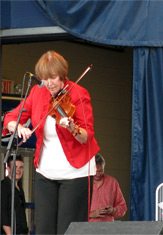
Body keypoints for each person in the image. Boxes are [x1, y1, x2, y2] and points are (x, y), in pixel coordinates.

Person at [2, 50, 100, 234]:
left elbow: (87, 136)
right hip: (46, 171)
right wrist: (18, 126)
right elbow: (11, 117)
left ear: (62, 74)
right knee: (44, 228)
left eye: (53, 78)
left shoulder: (78, 93)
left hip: (76, 171)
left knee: (68, 228)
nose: (49, 83)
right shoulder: (38, 92)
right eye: (45, 79)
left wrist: (72, 128)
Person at [89, 153, 127, 221]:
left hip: (108, 228)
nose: (98, 174)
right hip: (87, 227)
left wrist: (113, 210)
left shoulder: (112, 182)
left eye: (101, 171)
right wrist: (90, 214)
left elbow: (123, 208)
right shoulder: (84, 183)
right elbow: (74, 209)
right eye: (95, 171)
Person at [1, 155, 29, 235]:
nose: (18, 170)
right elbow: (3, 213)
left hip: (21, 231)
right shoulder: (3, 187)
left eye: (21, 167)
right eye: (15, 167)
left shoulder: (19, 186)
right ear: (8, 169)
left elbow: (22, 212)